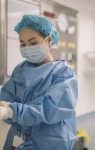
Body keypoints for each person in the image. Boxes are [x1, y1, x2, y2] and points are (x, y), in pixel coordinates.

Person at [0, 15, 78, 150]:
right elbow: (7, 96)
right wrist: (5, 108)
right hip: (19, 140)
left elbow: (49, 109)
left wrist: (12, 112)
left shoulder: (64, 73)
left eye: (33, 43)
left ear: (49, 40)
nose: (27, 48)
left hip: (50, 142)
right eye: (23, 44)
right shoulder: (21, 69)